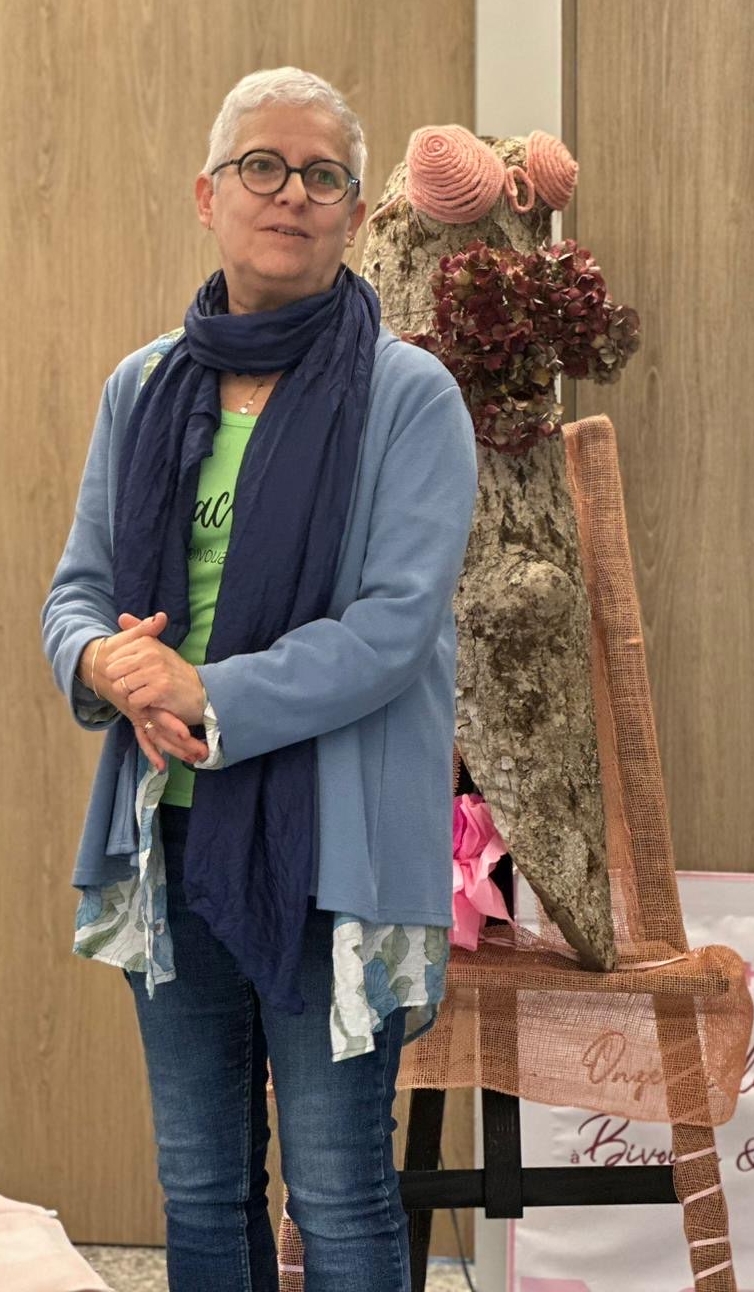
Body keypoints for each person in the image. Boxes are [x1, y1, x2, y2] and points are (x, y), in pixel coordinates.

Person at [42, 66, 478, 1292]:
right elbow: (76, 592)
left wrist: (204, 692)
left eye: (322, 175)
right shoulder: (142, 389)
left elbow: (393, 629)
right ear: (208, 195)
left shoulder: (408, 396)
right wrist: (104, 660)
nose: (291, 193)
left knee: (337, 1194)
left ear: (353, 213)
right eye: (262, 167)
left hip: (335, 853)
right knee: (199, 1184)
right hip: (166, 837)